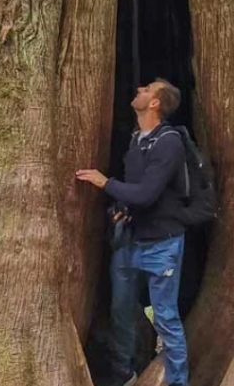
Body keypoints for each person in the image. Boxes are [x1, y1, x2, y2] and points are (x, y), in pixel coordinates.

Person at [76, 79, 189, 386]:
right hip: (129, 239)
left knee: (165, 317)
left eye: (147, 89)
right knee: (120, 310)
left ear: (155, 103)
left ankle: (178, 382)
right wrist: (120, 205)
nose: (139, 89)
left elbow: (148, 193)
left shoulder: (169, 142)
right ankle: (124, 374)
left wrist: (105, 182)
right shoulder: (137, 139)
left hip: (162, 244)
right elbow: (134, 192)